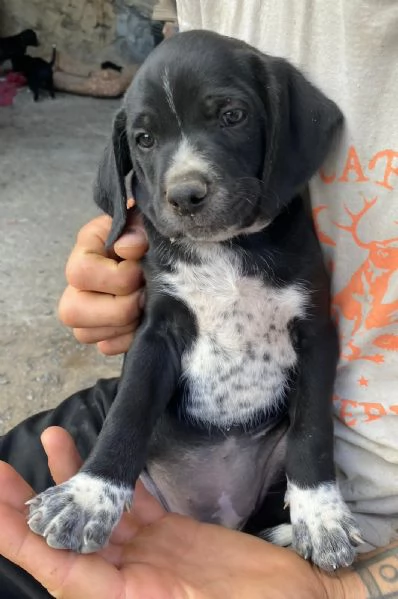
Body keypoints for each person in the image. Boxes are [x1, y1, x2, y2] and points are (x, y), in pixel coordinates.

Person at [1, 0, 397, 597]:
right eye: (146, 141)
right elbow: (152, 342)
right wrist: (116, 249)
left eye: (229, 115)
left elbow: (313, 342)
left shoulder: (290, 241)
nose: (182, 179)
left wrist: (338, 556)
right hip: (156, 436)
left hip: (300, 479)